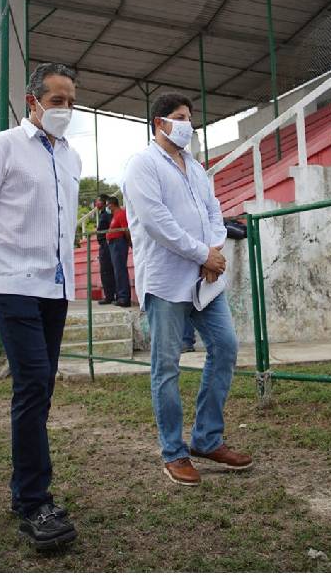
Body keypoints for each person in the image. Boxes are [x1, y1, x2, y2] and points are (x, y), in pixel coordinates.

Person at [0, 62, 81, 551]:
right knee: (32, 381)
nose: (65, 110)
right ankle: (34, 499)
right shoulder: (3, 146)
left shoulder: (72, 157)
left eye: (71, 101)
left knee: (41, 384)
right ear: (33, 102)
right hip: (12, 282)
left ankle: (24, 489)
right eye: (56, 101)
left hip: (56, 286)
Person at [122, 92, 252, 487]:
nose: (188, 125)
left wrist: (212, 249)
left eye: (190, 118)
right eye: (180, 118)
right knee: (166, 367)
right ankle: (174, 452)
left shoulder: (195, 166)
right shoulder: (142, 165)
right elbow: (158, 222)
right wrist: (202, 255)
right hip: (165, 281)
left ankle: (207, 439)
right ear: (160, 123)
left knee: (225, 346)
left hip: (204, 280)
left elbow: (214, 210)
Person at [106, 196, 131, 307]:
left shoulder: (121, 213)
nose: (107, 207)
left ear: (112, 204)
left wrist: (129, 242)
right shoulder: (114, 215)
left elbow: (126, 229)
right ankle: (120, 295)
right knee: (117, 270)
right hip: (113, 244)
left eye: (108, 204)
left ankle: (124, 297)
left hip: (118, 243)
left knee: (120, 270)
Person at [95, 194, 116, 305]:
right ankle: (110, 295)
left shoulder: (107, 214)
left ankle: (109, 296)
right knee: (107, 271)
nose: (96, 203)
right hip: (104, 244)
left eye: (97, 201)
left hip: (106, 245)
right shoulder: (103, 214)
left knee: (106, 271)